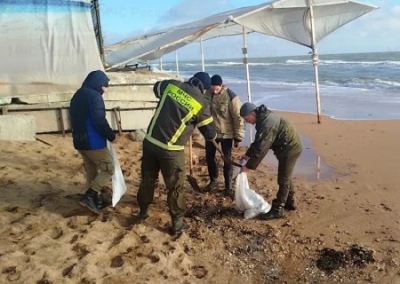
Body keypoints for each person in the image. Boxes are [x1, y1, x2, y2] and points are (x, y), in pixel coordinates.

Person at [136, 72, 217, 235]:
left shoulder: (171, 85)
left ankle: (143, 212)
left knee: (147, 180)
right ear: (203, 88)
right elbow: (210, 133)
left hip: (150, 142)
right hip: (171, 151)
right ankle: (177, 224)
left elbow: (156, 87)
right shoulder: (202, 103)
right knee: (176, 187)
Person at [239, 102, 303, 220]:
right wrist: (247, 154)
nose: (247, 122)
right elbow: (259, 141)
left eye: (247, 119)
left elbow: (262, 148)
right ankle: (290, 201)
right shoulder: (263, 119)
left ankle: (278, 209)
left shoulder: (267, 123)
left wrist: (248, 166)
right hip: (284, 148)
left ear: (253, 114)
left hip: (290, 149)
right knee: (286, 176)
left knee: (283, 179)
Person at [70, 70, 117, 214]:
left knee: (91, 170)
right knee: (109, 168)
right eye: (104, 85)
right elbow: (99, 120)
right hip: (93, 142)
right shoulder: (95, 97)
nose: (104, 89)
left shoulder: (77, 95)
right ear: (97, 84)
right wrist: (110, 135)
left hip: (79, 141)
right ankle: (90, 196)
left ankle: (96, 200)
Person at [203, 74, 245, 196]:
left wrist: (238, 136)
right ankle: (214, 180)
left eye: (217, 89)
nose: (214, 91)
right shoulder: (207, 94)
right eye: (212, 89)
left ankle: (228, 187)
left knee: (227, 160)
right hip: (211, 133)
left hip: (227, 134)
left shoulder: (231, 97)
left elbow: (239, 118)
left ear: (221, 86)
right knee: (209, 157)